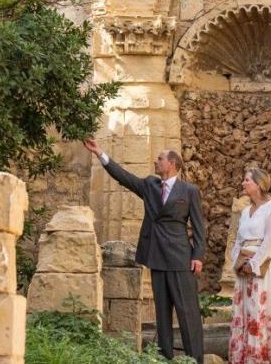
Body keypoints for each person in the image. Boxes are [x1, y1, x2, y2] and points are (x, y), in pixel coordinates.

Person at [83, 138, 206, 363]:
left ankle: (195, 360)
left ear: (172, 164)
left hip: (181, 259)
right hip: (157, 257)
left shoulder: (189, 191)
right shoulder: (150, 185)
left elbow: (199, 227)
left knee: (188, 313)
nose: (155, 161)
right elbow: (125, 178)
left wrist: (198, 256)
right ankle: (164, 359)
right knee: (162, 315)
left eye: (160, 158)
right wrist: (101, 154)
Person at [228, 168, 271, 364]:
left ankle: (262, 357)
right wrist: (237, 261)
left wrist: (253, 264)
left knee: (260, 307)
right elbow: (238, 240)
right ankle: (245, 356)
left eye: (247, 180)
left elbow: (268, 240)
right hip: (244, 263)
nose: (243, 183)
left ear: (259, 184)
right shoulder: (245, 211)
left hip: (263, 263)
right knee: (245, 309)